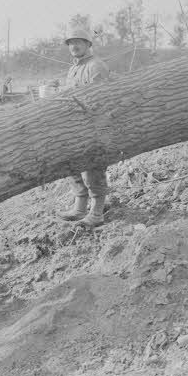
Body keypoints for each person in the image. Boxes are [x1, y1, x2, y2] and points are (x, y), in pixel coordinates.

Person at [58, 27, 113, 227]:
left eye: (78, 42)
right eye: (71, 43)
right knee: (72, 166)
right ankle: (79, 208)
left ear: (88, 44)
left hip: (93, 126)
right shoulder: (73, 68)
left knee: (92, 169)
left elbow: (100, 99)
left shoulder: (96, 66)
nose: (74, 46)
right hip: (75, 126)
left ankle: (97, 213)